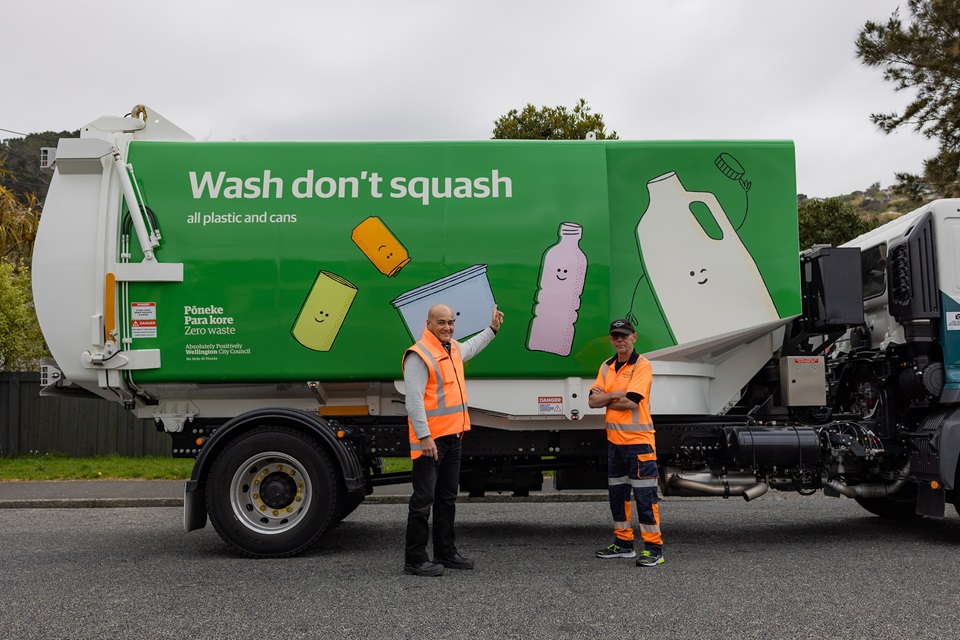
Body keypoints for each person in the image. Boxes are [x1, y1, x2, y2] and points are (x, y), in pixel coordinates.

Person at [402, 302, 504, 576]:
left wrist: (492, 329)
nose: (447, 327)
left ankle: (445, 553)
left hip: (453, 438)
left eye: (450, 322)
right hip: (431, 443)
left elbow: (472, 346)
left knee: (447, 498)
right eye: (441, 323)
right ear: (428, 325)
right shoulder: (419, 355)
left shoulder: (454, 349)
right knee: (423, 501)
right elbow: (413, 402)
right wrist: (424, 437)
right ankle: (414, 559)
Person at [589, 318, 664, 567]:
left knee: (645, 497)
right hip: (615, 443)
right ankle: (623, 544)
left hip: (639, 443)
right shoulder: (607, 366)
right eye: (615, 336)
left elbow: (632, 401)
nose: (619, 340)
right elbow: (591, 401)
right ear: (611, 339)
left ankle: (654, 548)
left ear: (634, 337)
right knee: (617, 497)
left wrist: (607, 397)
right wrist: (617, 394)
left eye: (624, 335)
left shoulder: (642, 366)